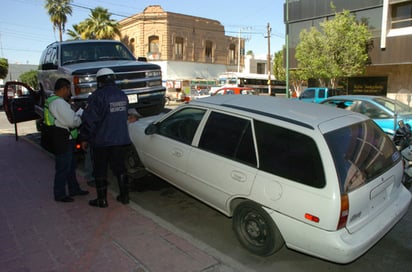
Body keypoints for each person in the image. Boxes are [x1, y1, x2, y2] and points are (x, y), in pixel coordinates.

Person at [79, 68, 131, 208]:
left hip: (101, 141)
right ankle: (125, 196)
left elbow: (90, 120)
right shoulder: (122, 95)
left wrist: (84, 137)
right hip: (119, 139)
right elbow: (125, 114)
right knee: (120, 168)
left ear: (99, 81)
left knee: (100, 170)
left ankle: (102, 200)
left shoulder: (97, 96)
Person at [42, 78, 89, 202]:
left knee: (70, 166)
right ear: (64, 88)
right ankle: (60, 194)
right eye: (69, 89)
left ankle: (74, 189)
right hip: (63, 139)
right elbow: (71, 121)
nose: (70, 92)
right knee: (63, 168)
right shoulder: (59, 103)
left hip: (59, 138)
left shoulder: (50, 100)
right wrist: (79, 116)